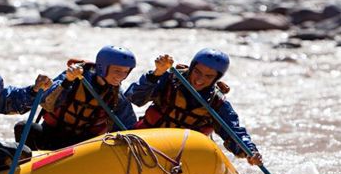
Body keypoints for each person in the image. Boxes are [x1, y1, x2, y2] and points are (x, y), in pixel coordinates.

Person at [125, 48, 263, 166]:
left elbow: (234, 132)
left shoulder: (217, 102)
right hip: (148, 142)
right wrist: (156, 74)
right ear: (191, 68)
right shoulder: (169, 79)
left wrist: (249, 151)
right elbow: (134, 97)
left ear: (216, 78)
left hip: (186, 155)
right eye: (197, 72)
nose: (199, 79)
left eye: (208, 76)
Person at [14, 45, 138, 150]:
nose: (121, 76)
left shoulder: (117, 96)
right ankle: (26, 166)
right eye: (117, 71)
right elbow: (47, 103)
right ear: (103, 67)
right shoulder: (74, 77)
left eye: (125, 72)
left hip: (82, 146)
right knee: (24, 127)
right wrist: (67, 81)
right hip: (52, 135)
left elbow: (127, 127)